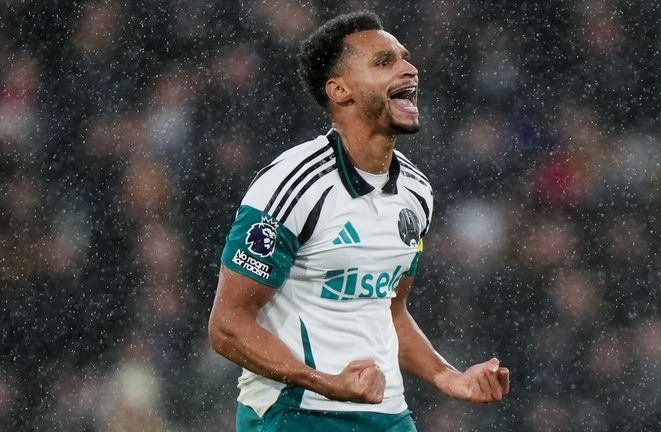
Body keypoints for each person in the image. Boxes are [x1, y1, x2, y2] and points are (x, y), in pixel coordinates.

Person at [208, 11, 510, 431]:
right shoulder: (292, 185)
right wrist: (325, 383)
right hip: (295, 413)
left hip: (388, 416)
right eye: (385, 62)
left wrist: (449, 376)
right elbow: (227, 326)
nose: (409, 68)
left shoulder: (417, 193)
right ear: (340, 90)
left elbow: (390, 309)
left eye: (404, 58)